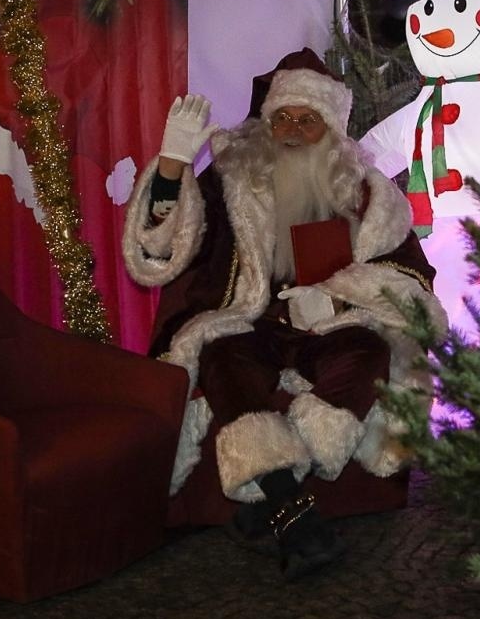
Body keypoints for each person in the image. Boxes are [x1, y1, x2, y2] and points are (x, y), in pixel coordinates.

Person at [121, 49, 445, 579]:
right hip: (248, 322)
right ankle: (293, 513)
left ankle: (270, 506)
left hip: (331, 325)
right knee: (222, 358)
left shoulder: (367, 194)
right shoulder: (232, 179)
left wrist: (341, 297)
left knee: (371, 352)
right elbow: (167, 244)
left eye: (307, 120)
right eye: (283, 118)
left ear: (332, 130)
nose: (292, 130)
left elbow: (411, 279)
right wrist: (172, 167)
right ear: (266, 123)